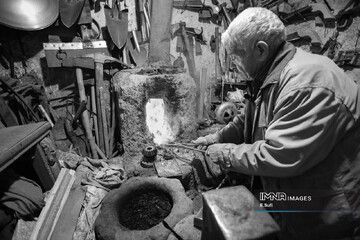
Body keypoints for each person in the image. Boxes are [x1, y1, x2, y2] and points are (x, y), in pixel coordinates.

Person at [193, 7, 360, 240]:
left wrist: (224, 154)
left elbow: (280, 155)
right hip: (292, 197)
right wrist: (217, 138)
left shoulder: (308, 82)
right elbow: (249, 119)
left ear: (260, 50)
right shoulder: (270, 76)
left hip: (324, 211)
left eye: (237, 56)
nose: (234, 65)